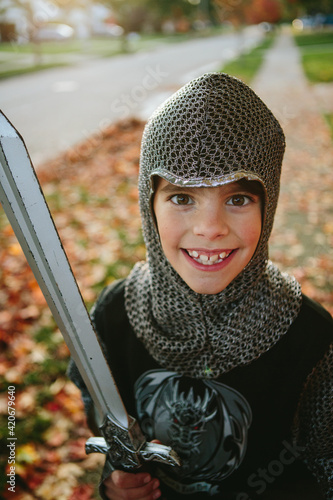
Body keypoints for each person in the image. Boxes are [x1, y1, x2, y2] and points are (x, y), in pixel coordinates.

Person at [68, 73, 333, 500]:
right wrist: (115, 487)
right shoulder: (115, 316)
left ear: (270, 202)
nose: (210, 229)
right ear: (147, 203)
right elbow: (107, 430)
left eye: (238, 199)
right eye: (182, 197)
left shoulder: (311, 338)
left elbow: (326, 463)